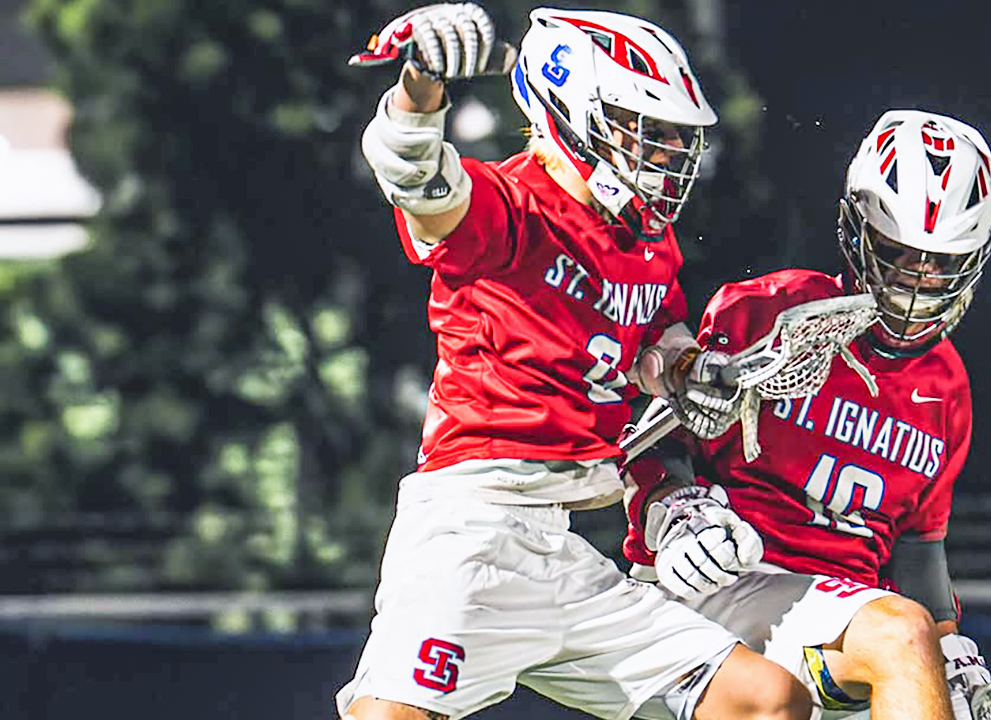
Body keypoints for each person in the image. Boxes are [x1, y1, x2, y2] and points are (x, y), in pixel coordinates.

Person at [335, 4, 817, 720]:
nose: (666, 156)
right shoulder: (510, 205)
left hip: (562, 544)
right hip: (475, 533)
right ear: (572, 113)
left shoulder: (646, 241)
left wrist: (690, 371)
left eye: (673, 139)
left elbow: (654, 337)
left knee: (767, 701)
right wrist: (420, 87)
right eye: (643, 133)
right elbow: (415, 177)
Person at [622, 110, 991, 720]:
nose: (916, 279)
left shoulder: (947, 384)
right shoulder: (767, 312)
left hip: (843, 632)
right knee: (904, 636)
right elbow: (655, 439)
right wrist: (676, 511)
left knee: (919, 655)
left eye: (939, 262)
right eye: (900, 253)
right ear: (858, 232)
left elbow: (917, 547)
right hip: (728, 581)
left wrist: (950, 643)